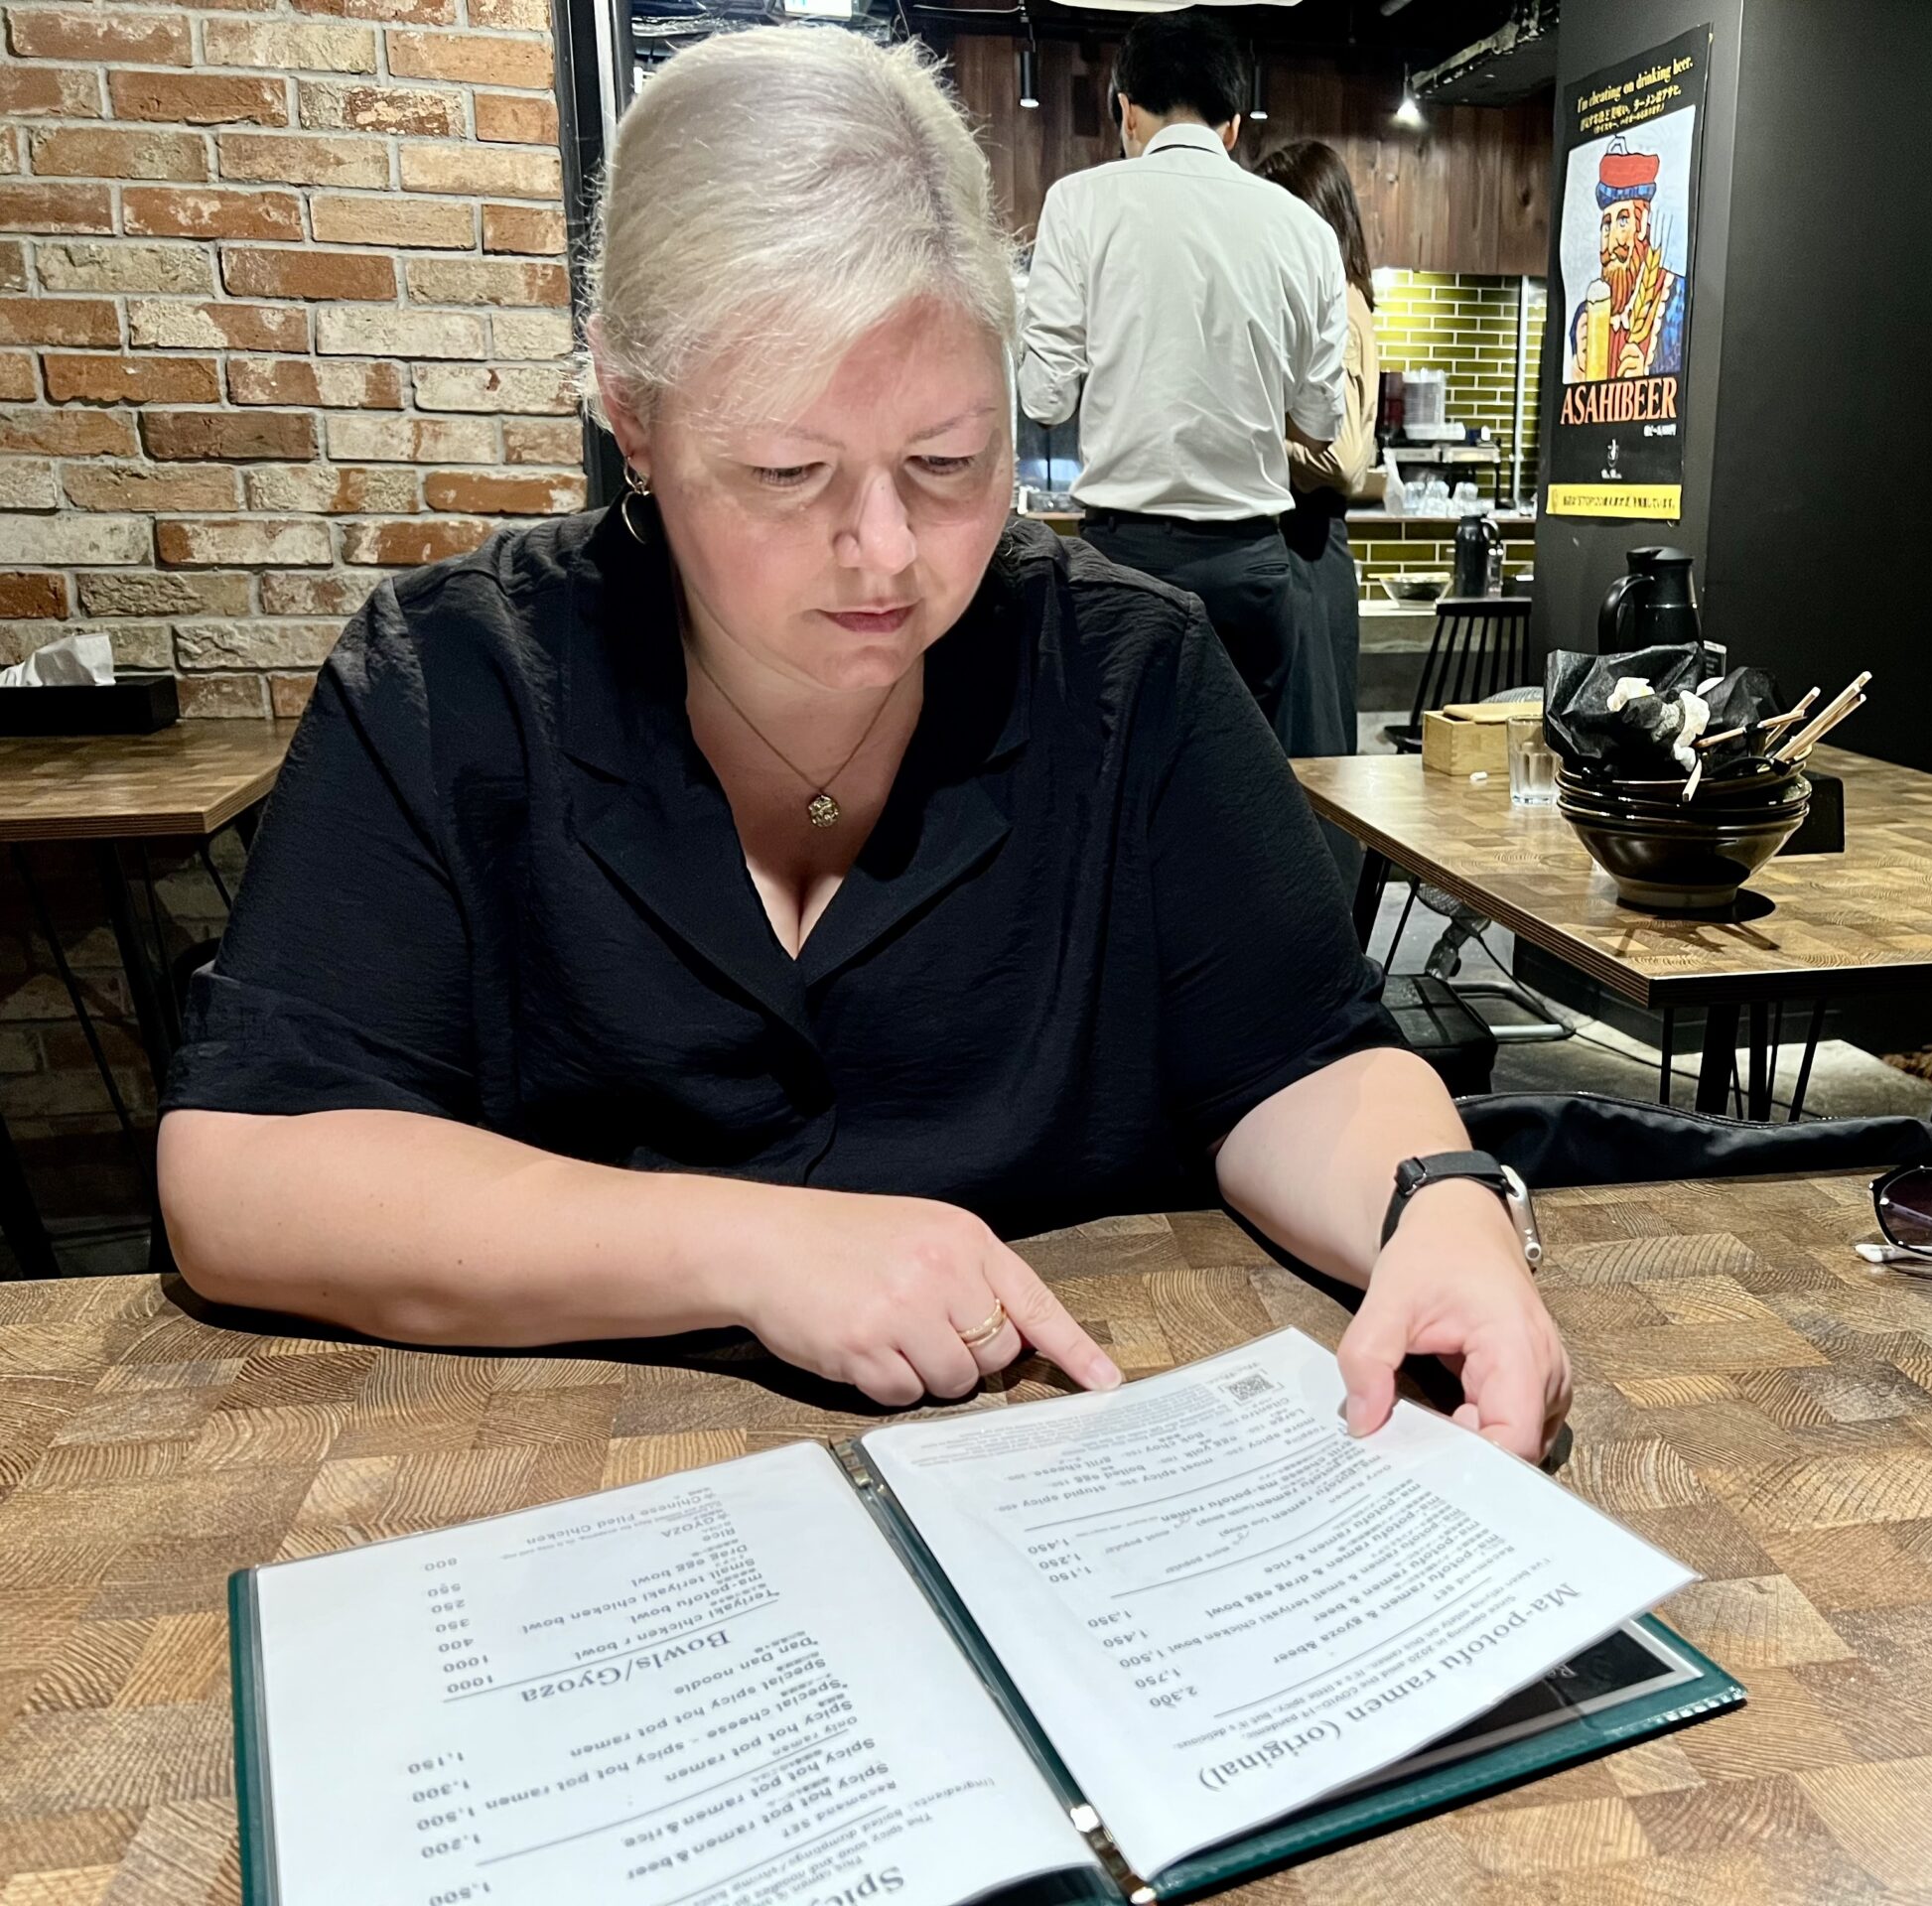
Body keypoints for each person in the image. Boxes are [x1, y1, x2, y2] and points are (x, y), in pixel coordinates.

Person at [154, 27, 1571, 1461]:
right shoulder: (456, 681)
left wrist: (1444, 1210)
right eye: (787, 472)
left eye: (948, 462)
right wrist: (744, 1246)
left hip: (1062, 1464)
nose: (886, 552)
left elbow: (1304, 1061)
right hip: (564, 1479)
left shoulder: (1125, 669)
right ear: (630, 414)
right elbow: (249, 1173)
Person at [1018, 12, 1347, 757]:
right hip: (1252, 567)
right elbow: (1321, 423)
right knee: (1244, 787)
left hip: (1122, 561)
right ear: (1233, 126)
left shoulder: (1079, 203)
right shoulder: (1306, 231)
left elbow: (1045, 399)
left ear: (1126, 110)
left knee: (1116, 783)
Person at [1257, 139, 1379, 769]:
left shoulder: (1342, 307)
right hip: (1301, 551)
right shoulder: (1326, 303)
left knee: (1313, 764)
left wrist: (1254, 440)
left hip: (1308, 546)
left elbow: (1346, 462)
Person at [1566, 137, 1686, 383]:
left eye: (1622, 221)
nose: (1610, 244)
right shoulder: (1583, 316)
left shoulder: (1675, 300)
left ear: (1641, 226)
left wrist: (1647, 377)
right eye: (1606, 225)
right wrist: (1577, 371)